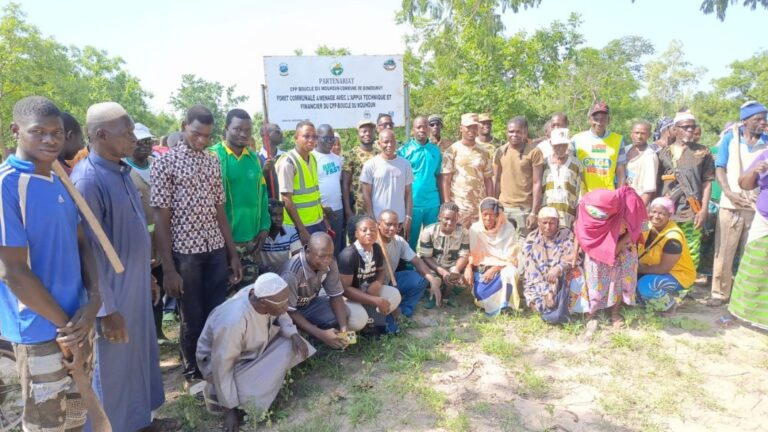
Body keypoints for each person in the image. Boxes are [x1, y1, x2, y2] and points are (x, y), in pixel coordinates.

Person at [71, 102, 178, 432]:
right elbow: (88, 254)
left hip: (134, 287)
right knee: (113, 370)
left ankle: (140, 423)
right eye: (127, 132)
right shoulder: (88, 180)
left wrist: (146, 275)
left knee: (137, 361)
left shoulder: (120, 171)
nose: (134, 138)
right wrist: (107, 310)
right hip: (112, 300)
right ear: (101, 134)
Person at [0, 96, 100, 432]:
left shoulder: (60, 178)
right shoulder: (7, 185)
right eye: (38, 132)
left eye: (56, 133)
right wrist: (66, 328)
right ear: (16, 131)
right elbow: (12, 272)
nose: (50, 140)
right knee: (48, 426)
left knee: (75, 418)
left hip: (77, 322)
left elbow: (81, 241)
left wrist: (94, 299)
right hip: (41, 331)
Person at [151, 104, 243, 384]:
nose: (201, 140)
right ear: (183, 126)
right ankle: (193, 370)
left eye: (207, 135)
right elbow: (160, 220)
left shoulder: (212, 161)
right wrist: (168, 269)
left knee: (216, 311)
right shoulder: (164, 164)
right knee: (192, 316)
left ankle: (216, 362)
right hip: (185, 254)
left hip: (214, 249)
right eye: (196, 133)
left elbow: (219, 210)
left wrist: (232, 253)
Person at [197, 273, 314, 431]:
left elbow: (282, 313)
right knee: (251, 399)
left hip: (252, 350)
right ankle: (219, 394)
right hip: (224, 365)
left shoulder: (263, 294)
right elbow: (222, 366)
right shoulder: (233, 322)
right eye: (282, 304)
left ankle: (244, 387)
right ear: (264, 303)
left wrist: (293, 333)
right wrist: (230, 412)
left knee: (290, 344)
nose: (286, 307)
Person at [709, 102, 768, 306]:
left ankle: (744, 298)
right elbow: (720, 168)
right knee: (724, 252)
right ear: (745, 121)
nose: (763, 122)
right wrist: (728, 192)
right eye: (757, 119)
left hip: (756, 207)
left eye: (764, 118)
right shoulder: (730, 139)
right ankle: (719, 294)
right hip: (730, 204)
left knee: (750, 253)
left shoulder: (767, 141)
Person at [210, 109, 270, 289]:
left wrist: (264, 226)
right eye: (237, 129)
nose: (243, 134)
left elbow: (263, 194)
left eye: (247, 130)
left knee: (248, 295)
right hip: (222, 243)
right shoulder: (213, 156)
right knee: (224, 298)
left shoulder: (254, 159)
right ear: (226, 128)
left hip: (251, 242)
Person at [574, 186, 646, 331]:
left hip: (624, 244)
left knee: (622, 274)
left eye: (603, 215)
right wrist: (574, 252)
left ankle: (615, 310)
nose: (598, 217)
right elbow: (580, 228)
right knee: (595, 274)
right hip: (597, 246)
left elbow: (633, 234)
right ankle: (592, 311)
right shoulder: (586, 206)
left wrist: (624, 238)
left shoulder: (628, 208)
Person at [123, 122, 170, 342]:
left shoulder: (158, 165)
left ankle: (158, 331)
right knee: (140, 290)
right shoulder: (124, 170)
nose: (144, 146)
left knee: (159, 285)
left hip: (162, 238)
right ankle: (143, 334)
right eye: (139, 142)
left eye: (147, 141)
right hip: (139, 241)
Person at [282, 233, 366, 349]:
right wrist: (321, 335)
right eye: (321, 256)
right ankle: (311, 335)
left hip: (310, 304)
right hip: (287, 312)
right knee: (290, 337)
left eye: (330, 255)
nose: (326, 260)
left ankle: (318, 335)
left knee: (344, 314)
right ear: (308, 252)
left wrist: (344, 328)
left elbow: (335, 296)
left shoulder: (330, 262)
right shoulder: (291, 273)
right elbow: (289, 311)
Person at [658, 111, 714, 270]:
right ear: (675, 129)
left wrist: (703, 210)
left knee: (691, 250)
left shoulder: (703, 152)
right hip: (666, 211)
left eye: (693, 127)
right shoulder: (663, 153)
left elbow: (707, 183)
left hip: (692, 210)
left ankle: (684, 289)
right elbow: (656, 184)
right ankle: (664, 286)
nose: (690, 130)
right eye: (685, 127)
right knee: (665, 247)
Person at [521, 207, 587, 323]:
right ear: (538, 222)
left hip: (561, 277)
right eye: (544, 223)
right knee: (538, 304)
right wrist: (547, 291)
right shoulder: (531, 240)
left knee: (578, 274)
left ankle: (575, 309)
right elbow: (532, 271)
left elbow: (575, 258)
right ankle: (552, 305)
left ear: (558, 223)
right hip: (539, 281)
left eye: (552, 223)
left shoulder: (566, 235)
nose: (548, 227)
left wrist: (559, 267)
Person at [338, 217, 402, 334]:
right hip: (349, 298)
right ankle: (362, 323)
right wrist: (376, 301)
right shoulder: (348, 255)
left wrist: (377, 283)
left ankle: (372, 321)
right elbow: (345, 290)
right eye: (364, 230)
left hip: (368, 291)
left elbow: (381, 270)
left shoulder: (376, 248)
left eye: (373, 230)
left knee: (395, 295)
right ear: (356, 233)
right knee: (358, 320)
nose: (369, 233)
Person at [728, 147, 768, 329]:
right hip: (764, 219)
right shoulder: (766, 154)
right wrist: (754, 170)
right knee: (754, 265)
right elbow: (744, 184)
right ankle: (744, 313)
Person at [377, 210, 442, 316]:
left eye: (396, 225)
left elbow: (418, 262)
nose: (393, 228)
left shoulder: (399, 241)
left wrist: (433, 281)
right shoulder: (371, 242)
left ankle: (404, 311)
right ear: (379, 224)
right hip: (375, 286)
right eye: (388, 224)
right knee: (387, 326)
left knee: (421, 279)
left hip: (391, 280)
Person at [636, 198, 696, 312]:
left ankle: (669, 305)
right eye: (653, 212)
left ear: (670, 215)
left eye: (661, 213)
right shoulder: (646, 225)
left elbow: (663, 269)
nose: (656, 216)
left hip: (677, 274)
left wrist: (637, 269)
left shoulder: (673, 238)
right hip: (648, 268)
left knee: (647, 285)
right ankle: (648, 300)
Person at [465, 198, 519, 316]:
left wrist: (494, 269)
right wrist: (468, 268)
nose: (488, 218)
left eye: (492, 215)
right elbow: (470, 253)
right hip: (481, 269)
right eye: (485, 214)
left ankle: (506, 305)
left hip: (501, 269)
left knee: (510, 272)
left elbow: (511, 257)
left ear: (498, 215)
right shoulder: (475, 229)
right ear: (481, 214)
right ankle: (495, 305)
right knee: (480, 294)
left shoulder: (508, 228)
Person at [276, 120, 327, 246]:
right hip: (298, 226)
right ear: (296, 138)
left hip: (316, 221)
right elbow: (286, 198)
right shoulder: (288, 163)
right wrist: (301, 229)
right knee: (302, 264)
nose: (311, 140)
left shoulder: (313, 158)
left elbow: (314, 192)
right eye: (306, 136)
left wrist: (323, 218)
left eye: (314, 137)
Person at [398, 115, 443, 251]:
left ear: (428, 129)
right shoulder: (404, 151)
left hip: (432, 203)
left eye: (425, 127)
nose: (422, 130)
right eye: (418, 127)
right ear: (413, 130)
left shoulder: (435, 151)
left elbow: (439, 177)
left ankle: (431, 267)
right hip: (413, 204)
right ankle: (408, 268)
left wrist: (443, 201)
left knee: (433, 239)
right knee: (410, 239)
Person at [441, 113, 494, 226]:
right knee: (459, 239)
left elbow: (488, 179)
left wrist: (489, 202)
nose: (471, 130)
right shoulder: (452, 151)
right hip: (459, 206)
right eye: (468, 127)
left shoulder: (484, 152)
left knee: (479, 239)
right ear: (461, 128)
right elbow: (446, 180)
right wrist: (447, 204)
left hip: (479, 206)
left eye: (474, 127)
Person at [494, 117, 544, 236]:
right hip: (504, 207)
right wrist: (494, 205)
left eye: (518, 131)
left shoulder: (534, 152)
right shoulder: (500, 152)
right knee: (503, 244)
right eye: (511, 131)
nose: (514, 135)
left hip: (524, 209)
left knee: (524, 245)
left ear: (525, 133)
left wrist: (534, 212)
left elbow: (537, 182)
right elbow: (496, 180)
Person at [418, 202, 471, 308]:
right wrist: (443, 272)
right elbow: (426, 257)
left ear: (457, 218)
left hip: (451, 264)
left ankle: (447, 296)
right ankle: (432, 296)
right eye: (446, 218)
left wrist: (456, 270)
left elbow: (464, 255)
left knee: (453, 277)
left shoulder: (464, 232)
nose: (450, 222)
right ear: (439, 217)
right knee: (435, 280)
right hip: (432, 265)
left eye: (453, 219)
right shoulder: (428, 231)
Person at [361, 129, 414, 231]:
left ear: (396, 143)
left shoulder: (405, 164)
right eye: (385, 142)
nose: (389, 145)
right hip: (379, 221)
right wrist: (372, 218)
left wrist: (408, 217)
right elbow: (366, 193)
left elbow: (408, 193)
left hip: (399, 221)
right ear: (379, 144)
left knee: (399, 247)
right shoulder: (370, 164)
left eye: (392, 142)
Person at [572, 102, 627, 193]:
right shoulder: (576, 139)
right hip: (583, 196)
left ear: (608, 120)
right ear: (589, 119)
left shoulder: (618, 140)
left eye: (603, 119)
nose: (599, 122)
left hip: (608, 195)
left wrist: (618, 195)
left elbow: (621, 173)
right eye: (595, 119)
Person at [314, 124, 346, 256]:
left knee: (336, 246)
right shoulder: (311, 158)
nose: (330, 141)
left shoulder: (338, 159)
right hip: (319, 211)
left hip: (338, 210)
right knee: (321, 247)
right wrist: (321, 207)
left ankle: (336, 274)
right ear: (317, 138)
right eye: (326, 138)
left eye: (332, 138)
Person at [542, 128, 582, 227]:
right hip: (546, 217)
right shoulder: (543, 163)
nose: (560, 148)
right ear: (551, 143)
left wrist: (578, 216)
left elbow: (579, 192)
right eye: (557, 145)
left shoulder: (576, 164)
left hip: (568, 215)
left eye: (564, 145)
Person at [342, 119, 380, 223]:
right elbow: (345, 184)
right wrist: (348, 211)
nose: (367, 134)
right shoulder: (351, 154)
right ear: (358, 134)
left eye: (370, 131)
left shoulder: (380, 153)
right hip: (359, 208)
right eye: (364, 131)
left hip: (379, 205)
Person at [625, 120, 659, 206]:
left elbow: (648, 189)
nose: (639, 136)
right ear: (631, 133)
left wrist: (639, 211)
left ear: (649, 135)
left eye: (643, 133)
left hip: (636, 202)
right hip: (621, 199)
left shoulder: (650, 156)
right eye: (636, 133)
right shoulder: (624, 150)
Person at [258, 122, 285, 199]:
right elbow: (252, 186)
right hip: (267, 207)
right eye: (277, 131)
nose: (281, 133)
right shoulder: (255, 158)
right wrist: (264, 172)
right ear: (265, 135)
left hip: (286, 207)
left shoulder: (286, 156)